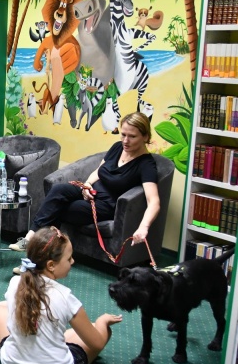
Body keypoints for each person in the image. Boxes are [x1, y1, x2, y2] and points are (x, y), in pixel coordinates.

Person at [9, 112, 160, 274]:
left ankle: (34, 262)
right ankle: (30, 239)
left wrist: (143, 227)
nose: (125, 140)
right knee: (58, 190)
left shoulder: (146, 164)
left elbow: (154, 202)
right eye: (123, 134)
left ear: (145, 136)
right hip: (91, 192)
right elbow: (99, 171)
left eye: (132, 136)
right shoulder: (118, 147)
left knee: (59, 209)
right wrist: (87, 185)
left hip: (105, 206)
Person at [0, 227, 123, 364]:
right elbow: (97, 343)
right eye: (69, 259)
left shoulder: (15, 282)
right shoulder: (66, 297)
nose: (73, 261)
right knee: (100, 329)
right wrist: (103, 321)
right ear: (51, 265)